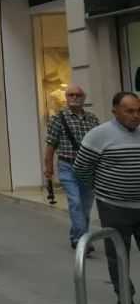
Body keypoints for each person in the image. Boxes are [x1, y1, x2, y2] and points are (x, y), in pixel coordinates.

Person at [76, 91, 140, 304]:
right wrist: (100, 190)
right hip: (114, 207)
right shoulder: (99, 135)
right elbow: (81, 169)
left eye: (138, 110)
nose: (135, 116)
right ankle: (124, 298)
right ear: (115, 111)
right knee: (119, 255)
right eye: (129, 111)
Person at [44, 84, 99, 250]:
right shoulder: (58, 118)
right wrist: (48, 168)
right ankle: (83, 239)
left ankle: (76, 236)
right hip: (67, 166)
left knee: (85, 205)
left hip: (88, 168)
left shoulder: (92, 119)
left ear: (84, 98)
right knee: (75, 203)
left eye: (78, 95)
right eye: (71, 95)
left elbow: (99, 144)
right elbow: (50, 145)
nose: (74, 98)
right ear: (66, 98)